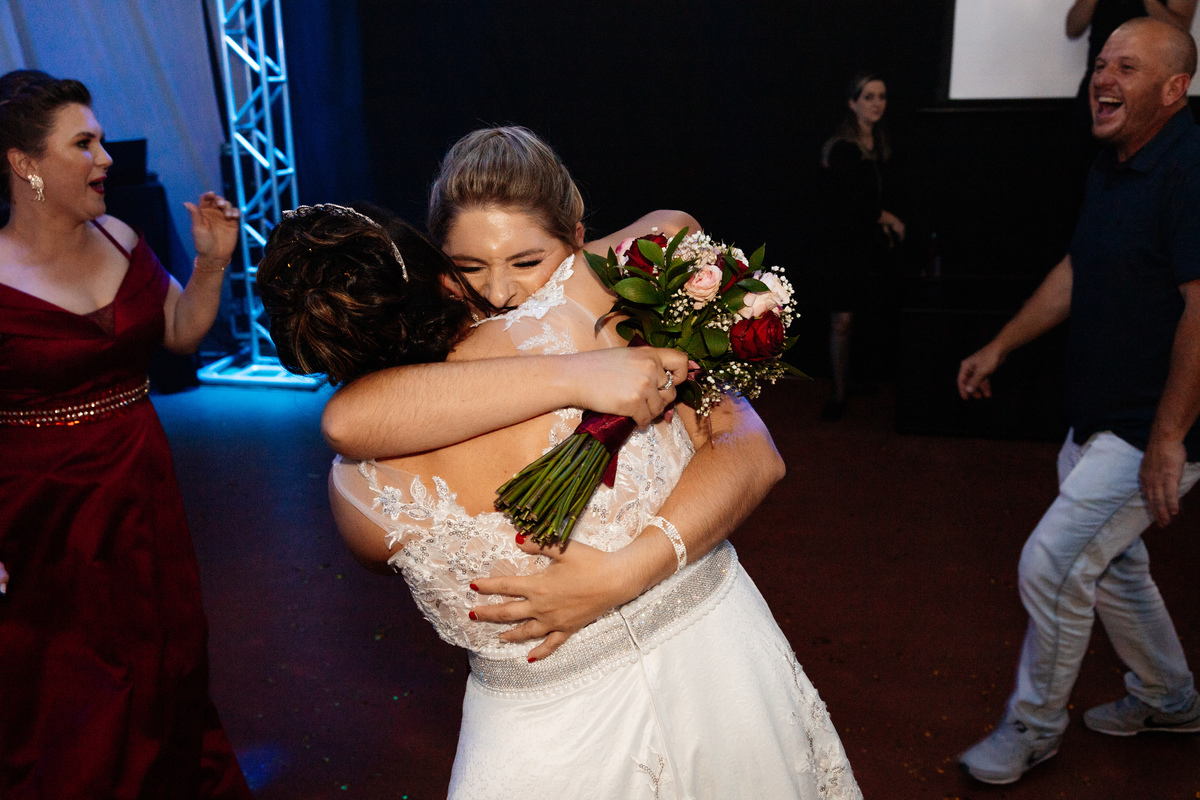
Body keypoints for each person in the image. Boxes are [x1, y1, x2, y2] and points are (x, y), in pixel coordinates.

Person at [258, 130, 862, 798]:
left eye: (525, 261)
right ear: (435, 270)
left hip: (615, 713)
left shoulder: (356, 497)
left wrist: (618, 575)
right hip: (659, 699)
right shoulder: (579, 322)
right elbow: (350, 419)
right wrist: (577, 374)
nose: (500, 293)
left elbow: (751, 447)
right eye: (470, 267)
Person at [956, 19, 1200, 785]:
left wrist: (1169, 438)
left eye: (1126, 68)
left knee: (1053, 563)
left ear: (1174, 88)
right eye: (1100, 64)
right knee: (1117, 567)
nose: (1103, 78)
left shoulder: (1191, 168)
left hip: (1148, 427)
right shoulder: (1117, 161)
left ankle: (1034, 726)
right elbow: (1079, 269)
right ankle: (1170, 697)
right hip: (1098, 416)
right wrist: (1001, 344)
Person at [0, 71, 251, 797]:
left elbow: (178, 330)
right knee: (72, 687)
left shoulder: (118, 234)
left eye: (102, 140)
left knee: (165, 656)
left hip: (141, 484)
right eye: (84, 144)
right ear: (25, 164)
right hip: (42, 513)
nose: (105, 158)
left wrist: (210, 261)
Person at [817, 72, 905, 421]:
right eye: (868, 96)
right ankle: (838, 394)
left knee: (865, 315)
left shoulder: (879, 143)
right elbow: (853, 204)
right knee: (842, 320)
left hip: (868, 246)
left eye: (881, 96)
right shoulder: (842, 147)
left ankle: (855, 381)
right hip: (843, 246)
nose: (877, 103)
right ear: (852, 103)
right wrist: (890, 220)